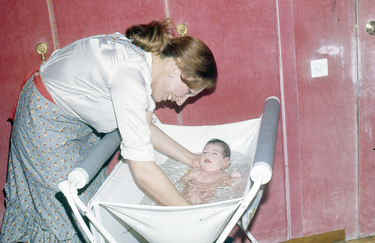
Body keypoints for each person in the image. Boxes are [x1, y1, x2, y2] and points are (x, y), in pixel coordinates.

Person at [1, 19, 217, 242]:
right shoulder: (131, 75)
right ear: (177, 65)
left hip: (73, 122)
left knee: (93, 199)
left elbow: (146, 126)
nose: (181, 102)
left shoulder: (146, 61)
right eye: (188, 91)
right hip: (44, 123)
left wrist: (192, 159)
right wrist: (192, 215)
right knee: (70, 214)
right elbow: (143, 171)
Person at [181, 139, 241, 205]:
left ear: (225, 162)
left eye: (214, 153)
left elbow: (229, 185)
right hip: (184, 198)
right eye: (205, 152)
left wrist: (234, 179)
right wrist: (188, 176)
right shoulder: (196, 169)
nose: (208, 155)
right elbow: (181, 180)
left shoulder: (222, 175)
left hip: (202, 201)